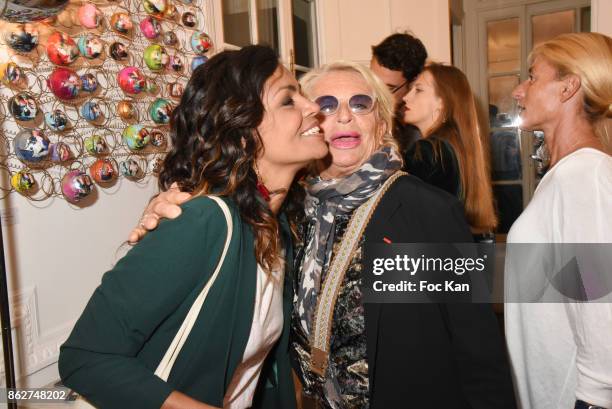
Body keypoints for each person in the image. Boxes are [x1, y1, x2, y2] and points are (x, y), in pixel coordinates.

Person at [133, 61, 517, 409]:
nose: (345, 116)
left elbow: (477, 348)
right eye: (328, 105)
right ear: (309, 123)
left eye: (361, 104)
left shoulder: (421, 211)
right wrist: (167, 208)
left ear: (381, 124)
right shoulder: (287, 213)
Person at [59, 45, 328, 409]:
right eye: (287, 101)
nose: (313, 107)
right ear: (243, 131)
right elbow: (84, 357)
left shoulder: (278, 229)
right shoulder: (204, 221)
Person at [504, 32, 612, 409]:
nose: (520, 91)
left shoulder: (585, 177)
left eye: (533, 77)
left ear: (568, 87)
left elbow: (601, 311)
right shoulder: (567, 175)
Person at [401, 63, 498, 236]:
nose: (406, 97)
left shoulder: (428, 150)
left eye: (419, 90)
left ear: (442, 103)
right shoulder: (456, 147)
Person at [370, 32, 428, 153]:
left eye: (388, 89)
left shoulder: (423, 128)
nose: (376, 94)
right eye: (372, 80)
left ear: (413, 83)